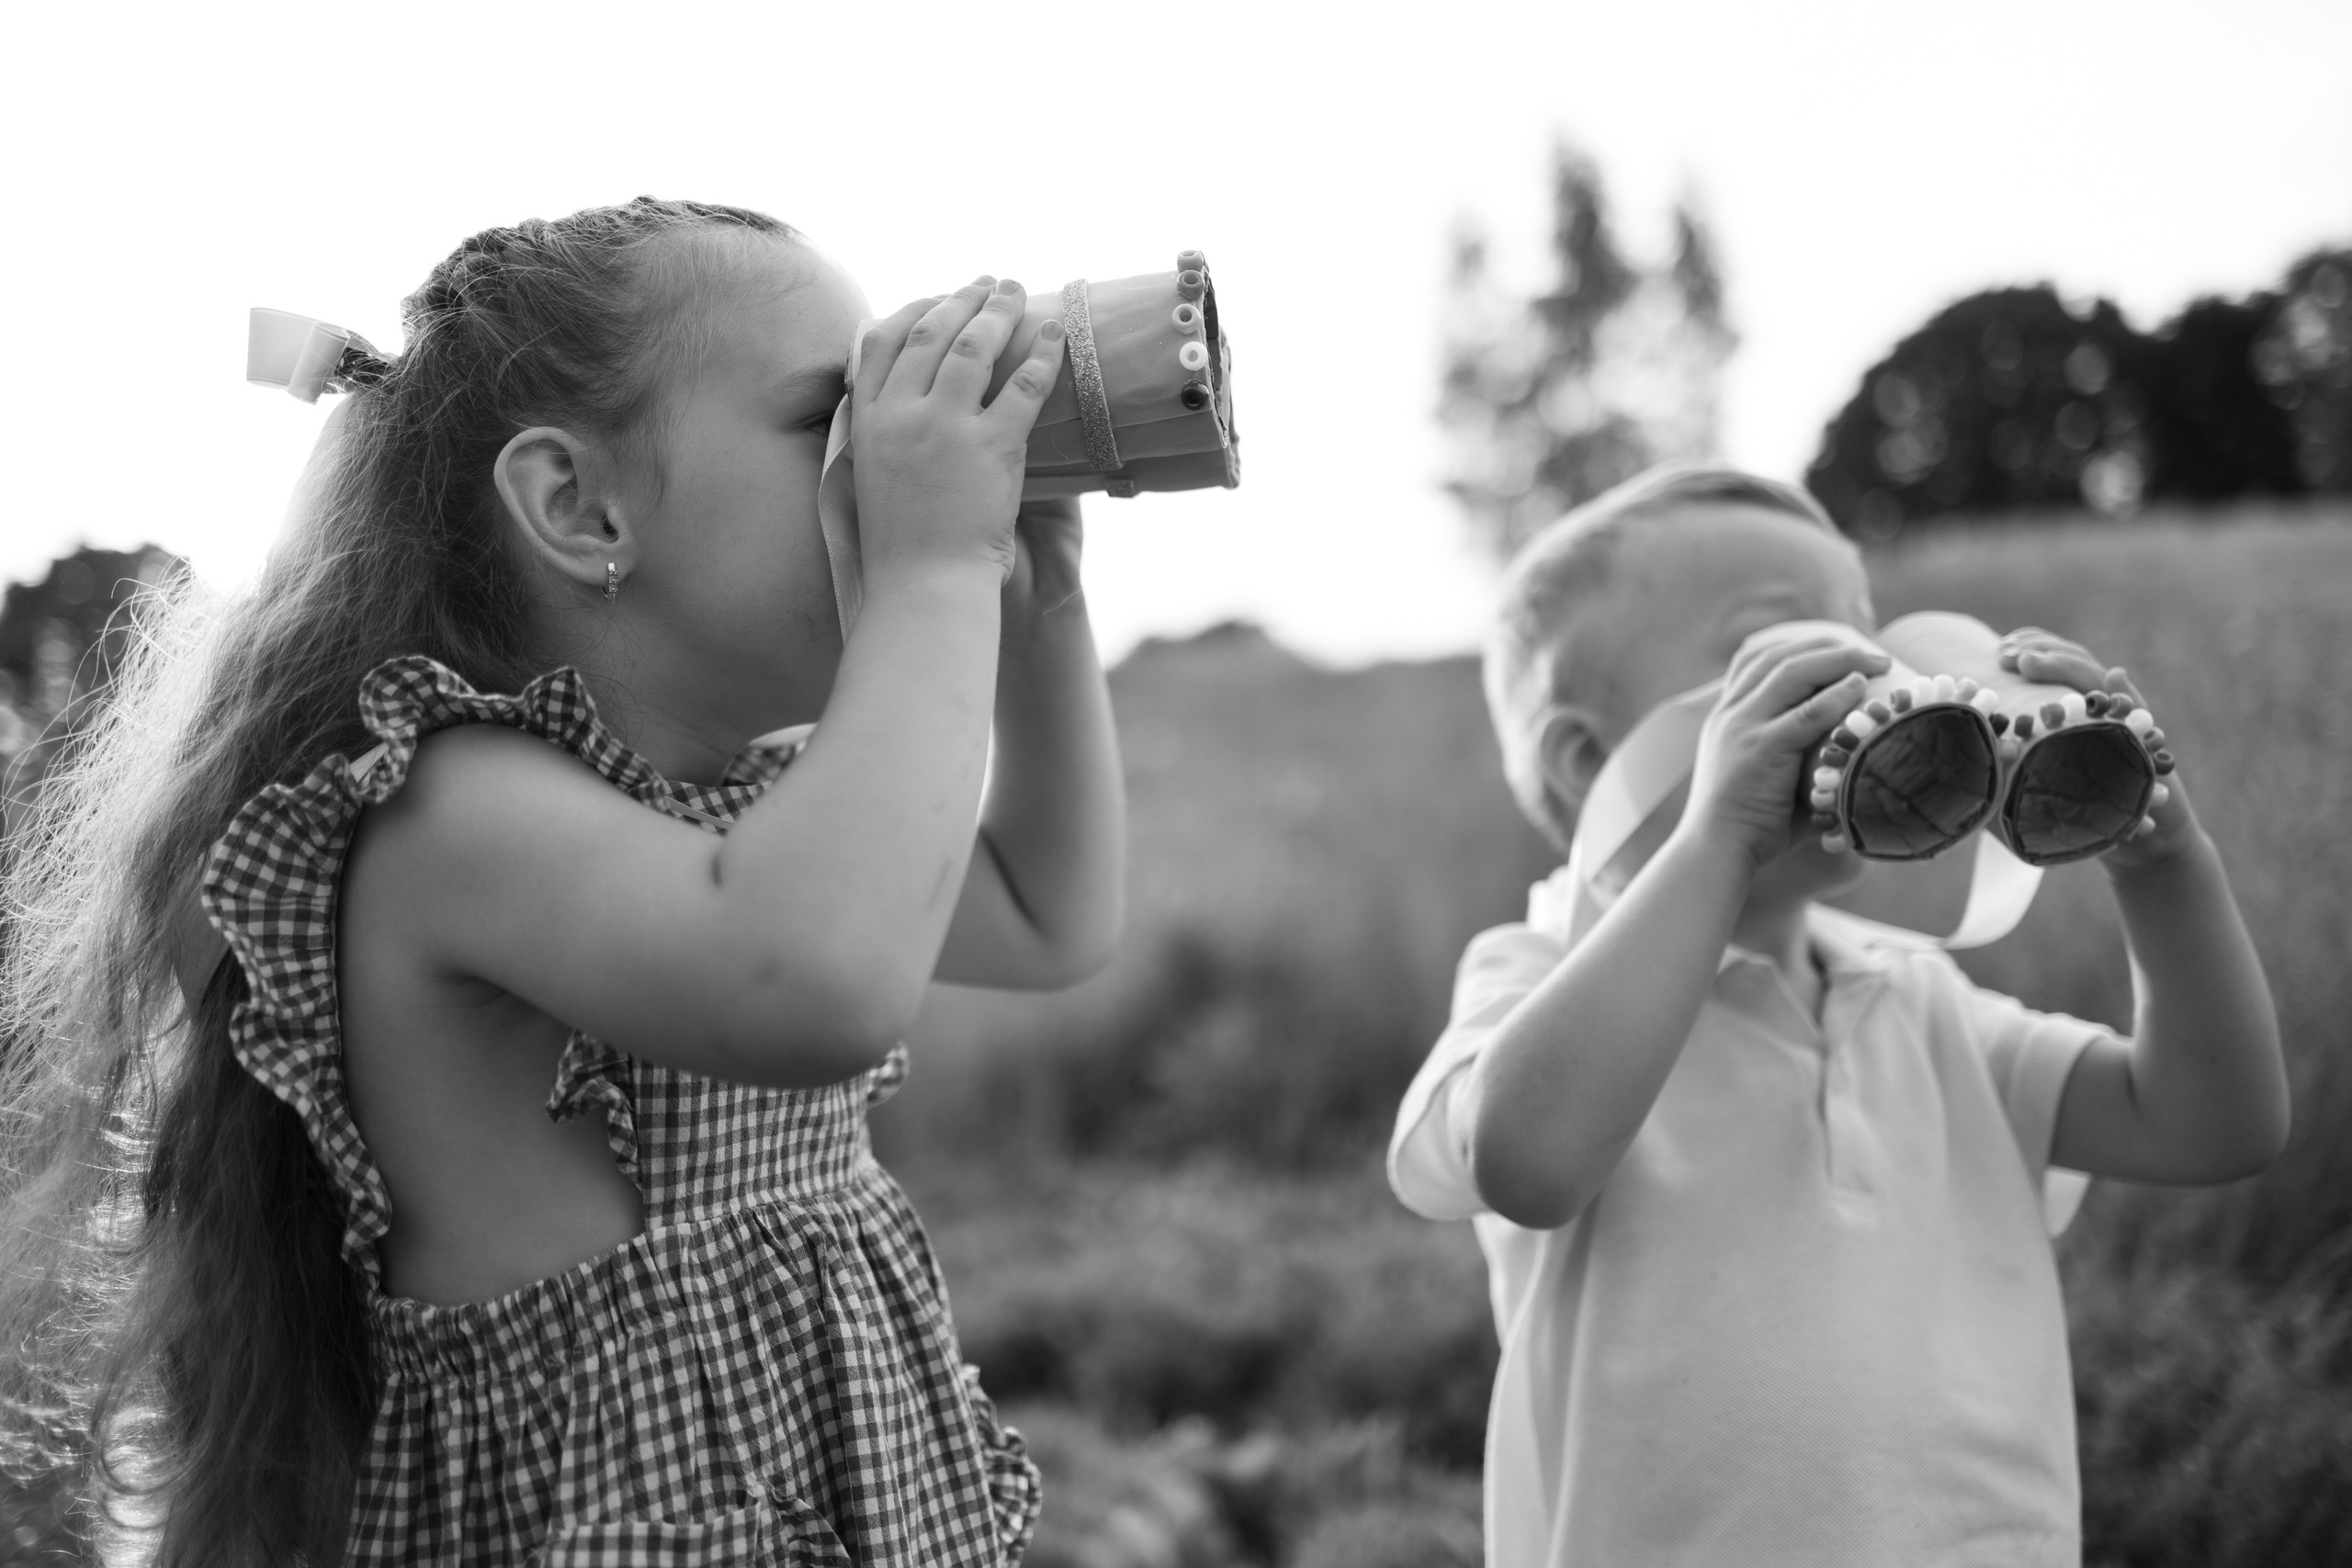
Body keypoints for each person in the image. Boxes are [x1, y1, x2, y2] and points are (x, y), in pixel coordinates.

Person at [0, 198, 1125, 1565]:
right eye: (832, 415)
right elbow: (819, 981)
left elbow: (1050, 910)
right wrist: (936, 557)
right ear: (578, 505)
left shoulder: (740, 802)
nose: (883, 462)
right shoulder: (453, 814)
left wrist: (1032, 586)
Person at [1387, 467, 2287, 1567]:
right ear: (1592, 762)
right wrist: (1715, 836)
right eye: (1784, 647)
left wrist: (2165, 864)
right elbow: (1525, 1161)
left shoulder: (1922, 1004)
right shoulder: (1541, 974)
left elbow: (2217, 1122)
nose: (1869, 677)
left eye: (1865, 635)